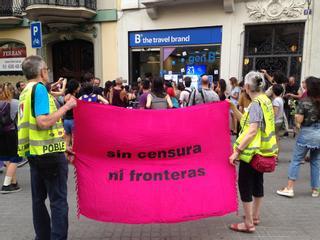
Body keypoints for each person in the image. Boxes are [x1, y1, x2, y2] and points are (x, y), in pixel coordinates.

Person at [18, 55, 77, 240]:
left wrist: (62, 146)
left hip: (35, 154)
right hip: (49, 156)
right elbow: (43, 122)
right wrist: (67, 106)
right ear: (42, 71)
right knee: (58, 202)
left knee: (38, 200)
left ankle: (42, 237)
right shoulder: (40, 90)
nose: (48, 73)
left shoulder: (25, 91)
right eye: (46, 70)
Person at [229, 71, 277, 233]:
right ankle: (255, 216)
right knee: (258, 184)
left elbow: (251, 131)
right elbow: (246, 121)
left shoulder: (256, 104)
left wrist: (237, 151)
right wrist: (233, 108)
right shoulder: (265, 101)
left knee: (245, 185)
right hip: (264, 152)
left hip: (251, 153)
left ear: (248, 86)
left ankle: (248, 223)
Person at [277, 77, 320, 198]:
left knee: (296, 160)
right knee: (316, 162)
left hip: (307, 132)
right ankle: (315, 189)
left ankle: (289, 188)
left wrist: (296, 118)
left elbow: (299, 120)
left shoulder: (305, 101)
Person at [0, 82, 23, 193]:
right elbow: (21, 117)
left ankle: (13, 182)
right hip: (12, 132)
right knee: (15, 158)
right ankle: (6, 185)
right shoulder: (16, 103)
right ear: (12, 91)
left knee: (8, 158)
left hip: (1, 133)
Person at [64, 79, 80, 148]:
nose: (79, 88)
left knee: (67, 139)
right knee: (74, 139)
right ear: (75, 89)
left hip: (66, 120)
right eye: (78, 87)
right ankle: (73, 157)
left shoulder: (66, 96)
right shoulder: (73, 98)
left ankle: (66, 156)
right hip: (73, 120)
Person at [272, 84, 285, 161]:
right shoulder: (280, 99)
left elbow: (275, 113)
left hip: (276, 121)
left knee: (275, 140)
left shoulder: (276, 100)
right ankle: (276, 156)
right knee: (277, 139)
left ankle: (275, 156)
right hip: (279, 121)